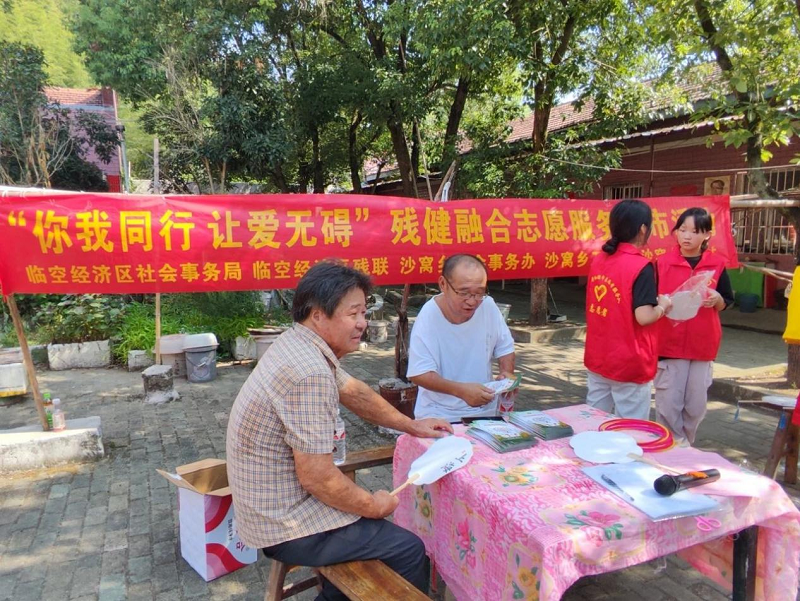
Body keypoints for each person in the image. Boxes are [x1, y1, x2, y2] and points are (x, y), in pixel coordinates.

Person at [226, 261, 452, 601]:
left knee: (368, 543)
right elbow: (318, 478)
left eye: (364, 311)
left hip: (273, 507)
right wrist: (374, 505)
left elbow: (353, 391)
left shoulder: (298, 342)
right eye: (353, 313)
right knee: (407, 550)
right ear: (318, 315)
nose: (363, 322)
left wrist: (411, 425)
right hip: (284, 523)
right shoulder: (309, 373)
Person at [583, 199, 672, 420]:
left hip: (599, 356)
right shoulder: (641, 265)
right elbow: (644, 316)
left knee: (593, 421)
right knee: (630, 428)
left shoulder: (600, 260)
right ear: (643, 229)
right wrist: (663, 306)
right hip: (629, 361)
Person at [655, 208, 733, 445]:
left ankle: (685, 444)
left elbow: (726, 301)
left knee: (696, 405)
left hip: (702, 345)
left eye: (695, 231)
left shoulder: (717, 265)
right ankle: (671, 446)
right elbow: (649, 299)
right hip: (669, 343)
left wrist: (717, 300)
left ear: (707, 235)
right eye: (682, 230)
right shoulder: (661, 263)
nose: (687, 236)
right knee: (669, 402)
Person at [407, 254, 516, 422]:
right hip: (439, 414)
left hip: (485, 410)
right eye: (464, 293)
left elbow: (505, 348)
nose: (472, 302)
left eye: (479, 293)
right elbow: (419, 374)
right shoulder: (429, 316)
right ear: (443, 284)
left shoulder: (488, 306)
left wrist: (507, 374)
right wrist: (461, 391)